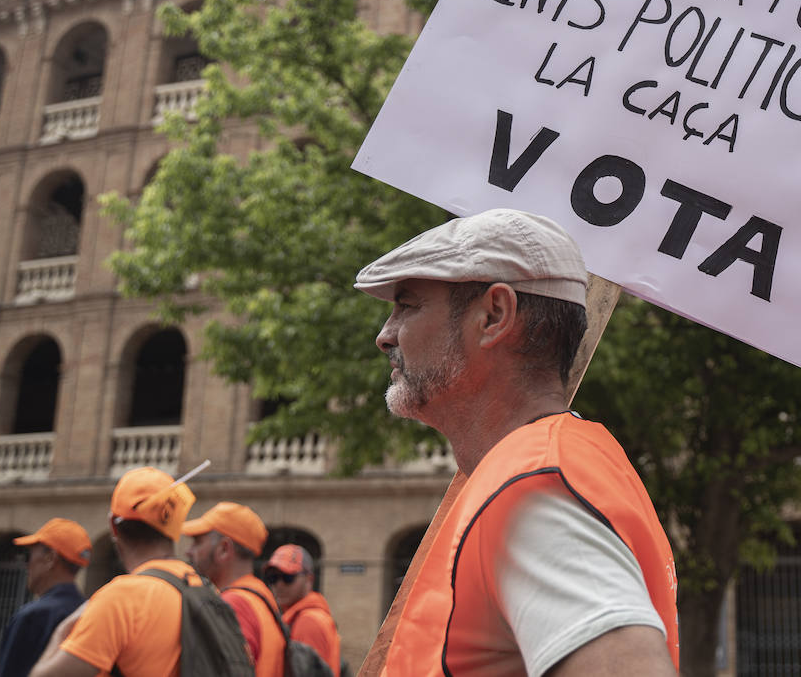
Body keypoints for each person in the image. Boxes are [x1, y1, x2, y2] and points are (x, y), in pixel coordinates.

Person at [357, 208, 678, 676]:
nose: (385, 336)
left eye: (407, 305)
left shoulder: (533, 486)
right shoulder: (540, 468)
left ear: (494, 315)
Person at [28, 467, 201, 677]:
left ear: (113, 525)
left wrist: (60, 633)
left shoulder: (121, 598)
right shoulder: (203, 588)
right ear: (174, 525)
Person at [183, 502, 285, 677]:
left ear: (224, 549)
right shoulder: (259, 596)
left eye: (198, 542)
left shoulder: (234, 604)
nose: (189, 551)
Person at [0, 519, 91, 677]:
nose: (27, 565)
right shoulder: (89, 612)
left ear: (50, 558)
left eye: (28, 557)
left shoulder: (32, 616)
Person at [264, 544, 341, 676]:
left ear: (309, 579)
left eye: (288, 577)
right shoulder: (303, 616)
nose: (279, 585)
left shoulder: (308, 621)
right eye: (273, 578)